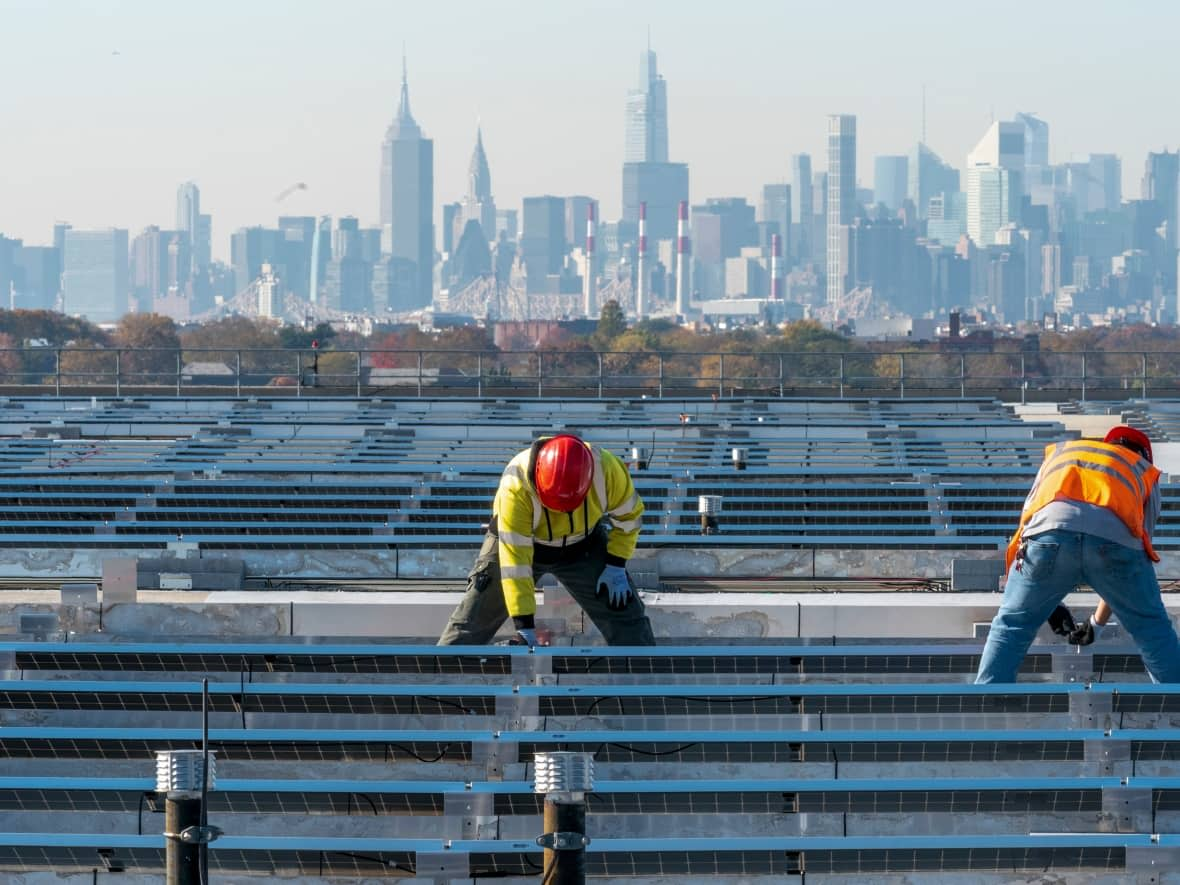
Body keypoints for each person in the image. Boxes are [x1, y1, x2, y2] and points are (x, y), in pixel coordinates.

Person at [976, 425, 1180, 683]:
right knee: (1152, 629)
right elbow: (1132, 558)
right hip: (1114, 543)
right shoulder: (1141, 471)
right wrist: (1096, 624)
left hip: (1047, 537)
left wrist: (1047, 603)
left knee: (1012, 626)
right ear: (1144, 455)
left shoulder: (1065, 456)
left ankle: (987, 700)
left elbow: (1027, 525)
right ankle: (1174, 708)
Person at [437, 433, 656, 647]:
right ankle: (442, 675)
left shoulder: (608, 470)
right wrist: (524, 625)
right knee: (470, 624)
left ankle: (645, 675)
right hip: (522, 544)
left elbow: (630, 519)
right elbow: (516, 566)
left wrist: (615, 564)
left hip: (584, 545)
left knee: (628, 621)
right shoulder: (516, 486)